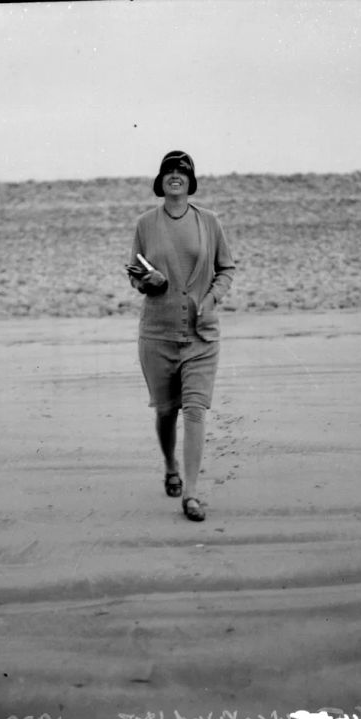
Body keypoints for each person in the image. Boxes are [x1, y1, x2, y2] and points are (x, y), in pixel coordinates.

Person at [128, 150, 235, 521]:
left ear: (191, 182)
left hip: (202, 334)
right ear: (161, 181)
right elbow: (134, 273)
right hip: (157, 334)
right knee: (164, 410)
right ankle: (170, 465)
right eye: (169, 171)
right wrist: (149, 282)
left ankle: (191, 493)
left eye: (182, 172)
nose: (176, 176)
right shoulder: (145, 223)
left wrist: (212, 298)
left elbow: (226, 269)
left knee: (194, 410)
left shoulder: (210, 222)